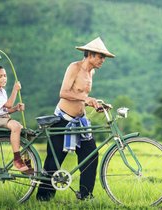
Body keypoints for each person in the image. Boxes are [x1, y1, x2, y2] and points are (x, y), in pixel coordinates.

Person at [36, 37, 115, 201]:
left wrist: (96, 103)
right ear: (91, 55)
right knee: (54, 161)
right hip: (62, 119)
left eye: (104, 58)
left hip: (81, 121)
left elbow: (82, 96)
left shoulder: (91, 72)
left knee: (91, 155)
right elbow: (64, 93)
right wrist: (86, 100)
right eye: (101, 57)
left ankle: (86, 196)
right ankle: (43, 199)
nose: (103, 60)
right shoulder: (74, 67)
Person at [0, 64, 31, 173]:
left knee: (27, 133)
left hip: (2, 117)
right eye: (0, 76)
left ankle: (28, 160)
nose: (4, 78)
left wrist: (16, 108)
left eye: (5, 75)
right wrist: (15, 90)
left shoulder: (2, 91)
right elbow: (8, 105)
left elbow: (6, 110)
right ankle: (17, 159)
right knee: (16, 126)